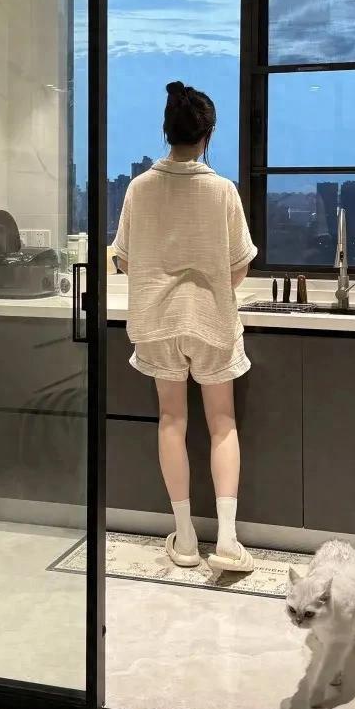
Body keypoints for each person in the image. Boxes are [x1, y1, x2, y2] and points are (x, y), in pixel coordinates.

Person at [113, 81, 257, 573]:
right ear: (207, 135)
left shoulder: (139, 188)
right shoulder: (222, 191)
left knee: (172, 419)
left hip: (157, 322)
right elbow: (239, 267)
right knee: (223, 422)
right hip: (211, 321)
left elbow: (124, 260)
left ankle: (187, 537)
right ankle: (229, 541)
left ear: (166, 131)